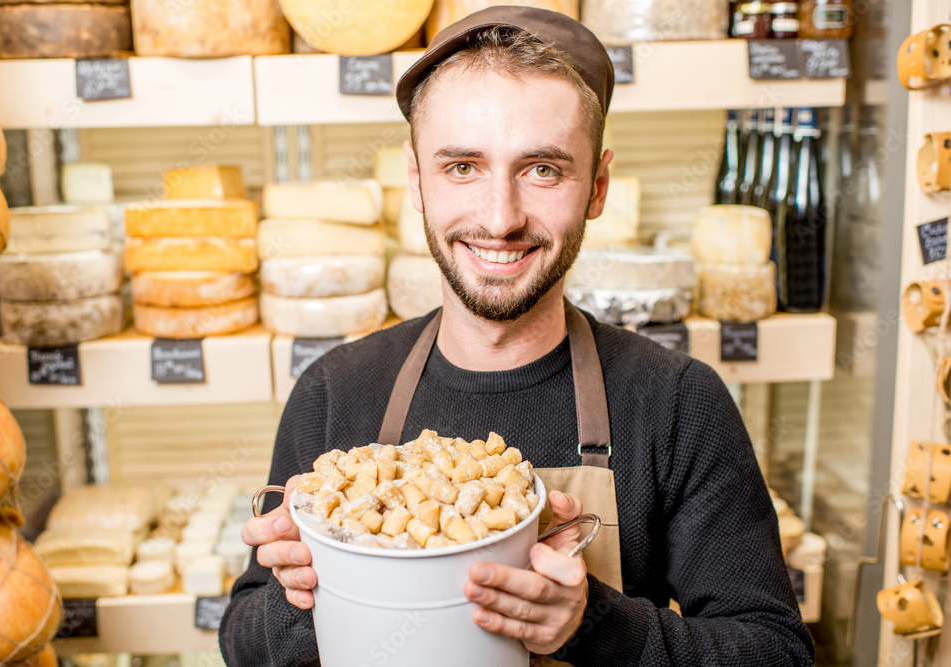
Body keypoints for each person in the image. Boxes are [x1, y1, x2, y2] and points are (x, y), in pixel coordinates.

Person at [219, 7, 815, 666]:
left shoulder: (677, 401)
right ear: (417, 181)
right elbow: (242, 640)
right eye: (463, 167)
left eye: (543, 170)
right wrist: (309, 592)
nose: (500, 219)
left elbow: (776, 650)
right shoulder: (335, 392)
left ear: (597, 186)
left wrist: (595, 622)